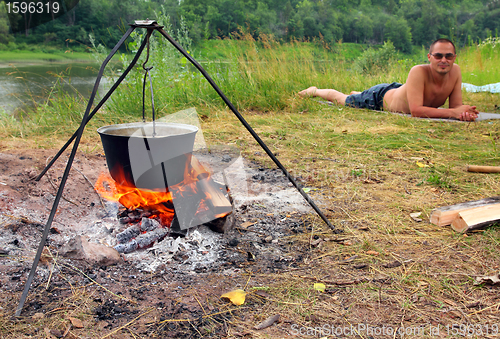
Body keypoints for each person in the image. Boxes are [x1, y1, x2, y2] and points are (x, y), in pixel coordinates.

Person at [299, 38, 479, 121]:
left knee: (358, 95)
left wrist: (462, 113)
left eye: (448, 56)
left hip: (402, 92)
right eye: (438, 56)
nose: (444, 60)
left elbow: (456, 108)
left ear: (454, 57)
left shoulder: (455, 71)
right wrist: (454, 113)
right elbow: (416, 111)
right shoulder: (418, 71)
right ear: (429, 57)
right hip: (379, 98)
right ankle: (315, 91)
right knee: (343, 100)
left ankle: (359, 93)